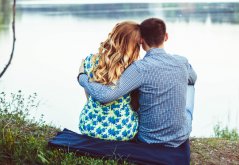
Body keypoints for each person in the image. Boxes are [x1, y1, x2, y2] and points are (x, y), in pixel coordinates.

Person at [78, 17, 197, 148]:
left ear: (141, 40)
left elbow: (105, 95)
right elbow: (193, 78)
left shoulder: (138, 68)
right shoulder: (181, 61)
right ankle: (175, 125)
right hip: (180, 136)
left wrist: (82, 77)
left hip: (148, 138)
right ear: (166, 37)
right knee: (189, 84)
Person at [78, 21, 141, 141]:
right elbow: (136, 103)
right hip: (122, 131)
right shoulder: (134, 68)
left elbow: (88, 94)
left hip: (88, 126)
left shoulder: (89, 60)